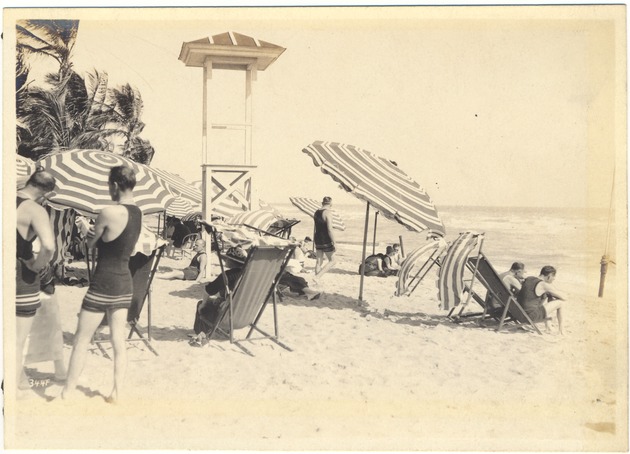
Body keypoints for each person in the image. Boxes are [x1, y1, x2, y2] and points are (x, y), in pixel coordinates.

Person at [62, 166, 142, 402]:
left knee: (82, 339)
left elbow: (89, 245)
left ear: (115, 185)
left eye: (109, 185)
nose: (109, 189)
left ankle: (68, 391)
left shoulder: (108, 212)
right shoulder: (138, 213)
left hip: (103, 283)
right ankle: (117, 392)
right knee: (118, 339)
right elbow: (120, 242)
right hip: (124, 282)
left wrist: (85, 229)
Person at [16, 169, 56, 390]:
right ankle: (18, 380)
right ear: (45, 194)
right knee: (18, 335)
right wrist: (36, 265)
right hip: (19, 273)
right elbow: (49, 246)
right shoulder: (36, 209)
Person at [517, 265, 567, 335]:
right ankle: (561, 330)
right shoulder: (543, 285)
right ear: (549, 276)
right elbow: (564, 297)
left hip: (519, 312)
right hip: (530, 316)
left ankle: (548, 327)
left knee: (546, 295)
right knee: (560, 303)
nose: (554, 279)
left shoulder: (529, 278)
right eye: (553, 276)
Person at [313, 196, 337, 281]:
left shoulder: (316, 212)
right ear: (330, 203)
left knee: (319, 262)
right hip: (325, 238)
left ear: (322, 202)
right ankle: (317, 277)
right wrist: (334, 242)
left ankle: (316, 281)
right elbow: (330, 229)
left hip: (317, 237)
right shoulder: (328, 213)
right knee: (333, 260)